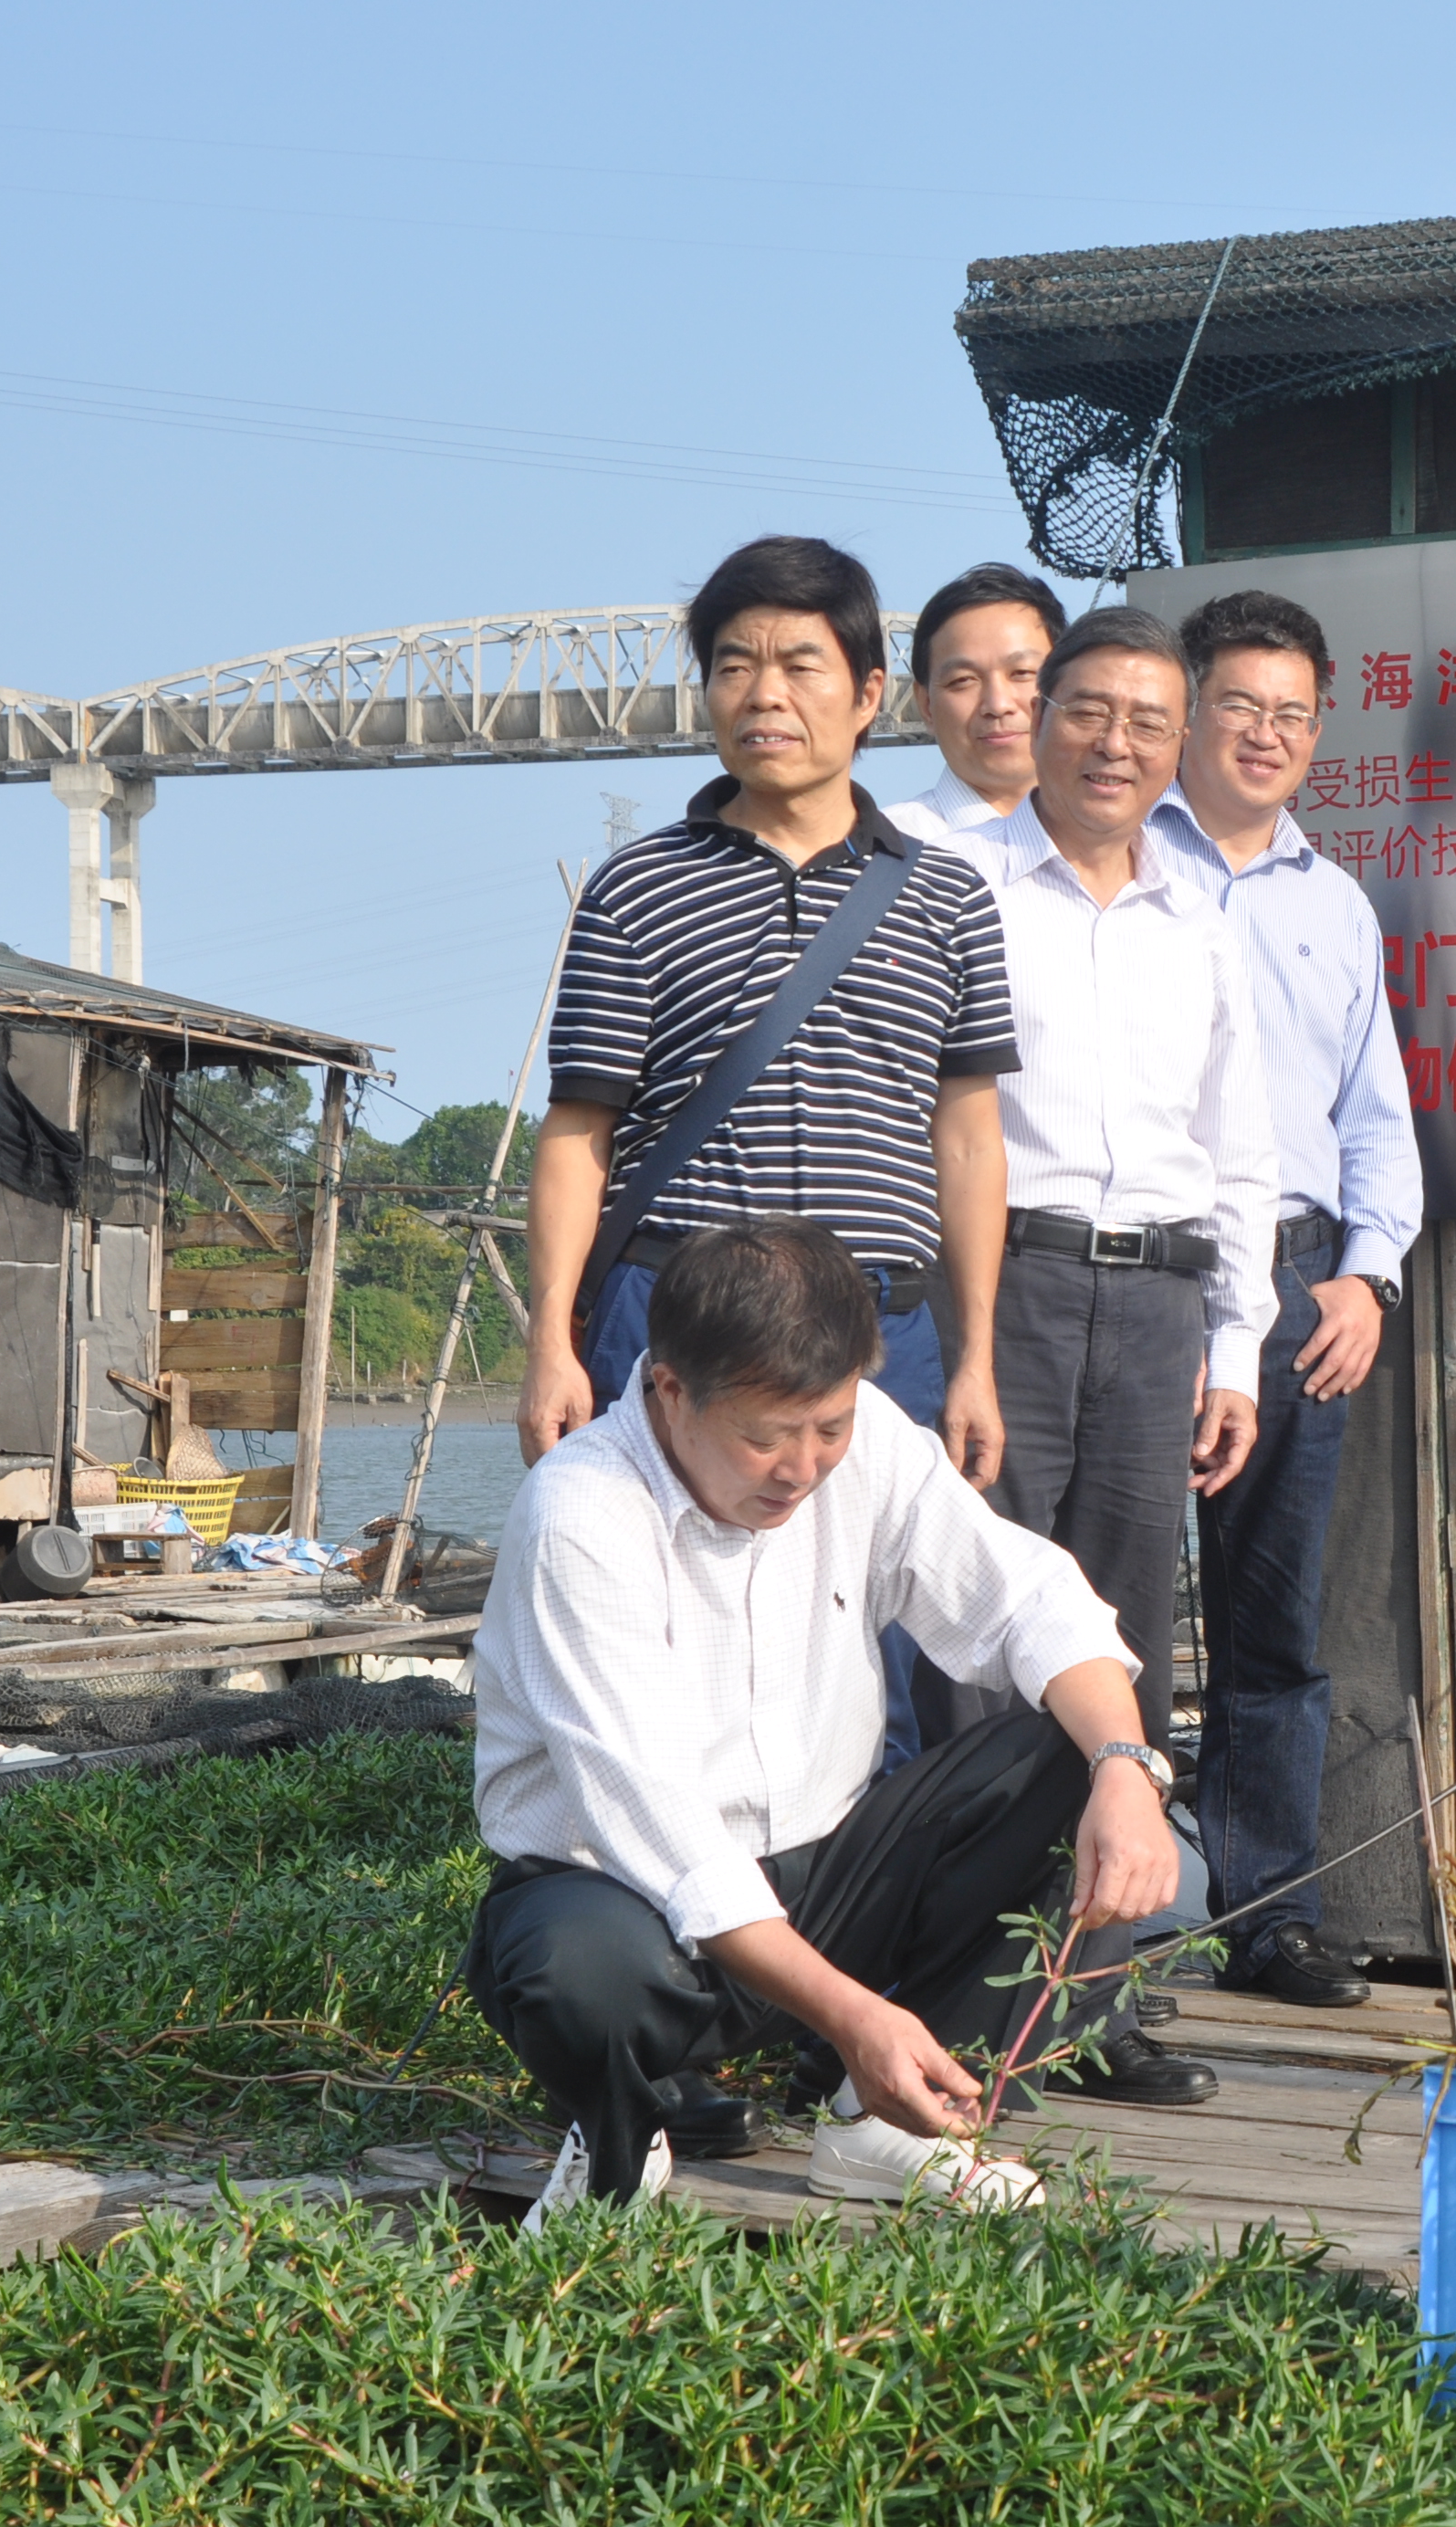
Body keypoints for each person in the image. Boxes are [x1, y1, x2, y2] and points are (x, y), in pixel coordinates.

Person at [518, 538, 1017, 2149]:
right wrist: (551, 1340)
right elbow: (581, 1130)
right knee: (648, 1658)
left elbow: (969, 1138)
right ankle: (666, 2044)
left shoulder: (943, 893)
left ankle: (846, 2045)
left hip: (882, 1336)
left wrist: (982, 1353)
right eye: (733, 661)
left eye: (800, 663)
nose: (763, 692)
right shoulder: (637, 887)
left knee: (864, 1668)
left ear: (873, 695)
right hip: (675, 1322)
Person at [465, 1218, 1182, 2218]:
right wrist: (856, 2015)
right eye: (764, 1436)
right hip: (623, 1900)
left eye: (828, 1427)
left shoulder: (872, 1439)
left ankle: (885, 2126)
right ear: (669, 1389)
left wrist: (1123, 1763)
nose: (802, 1467)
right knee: (575, 1974)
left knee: (1067, 1756)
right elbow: (663, 1836)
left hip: (827, 1870)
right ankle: (620, 2144)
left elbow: (1029, 1600)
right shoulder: (578, 1512)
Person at [932, 602, 1279, 2103]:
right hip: (1003, 1295)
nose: (1116, 742)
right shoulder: (955, 885)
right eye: (1088, 710)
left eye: (1148, 720)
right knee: (977, 1642)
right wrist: (952, 1338)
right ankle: (962, 1998)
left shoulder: (1198, 921)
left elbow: (1242, 1153)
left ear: (1177, 740)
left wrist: (1238, 1349)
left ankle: (1090, 2004)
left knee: (1117, 1657)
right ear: (1034, 715)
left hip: (1156, 1311)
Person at [1147, 589, 1421, 2009]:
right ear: (1188, 709)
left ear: (1322, 728)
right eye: (1240, 706)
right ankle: (1083, 1924)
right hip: (1139, 1268)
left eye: (1292, 713)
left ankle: (1270, 1917)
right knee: (1103, 1606)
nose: (1265, 734)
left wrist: (1369, 1277)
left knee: (1274, 1618)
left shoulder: (1335, 899)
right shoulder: (1122, 864)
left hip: (1304, 1279)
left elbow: (1375, 1109)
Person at [889, 562, 1068, 844]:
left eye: (1022, 673)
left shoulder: (1132, 843)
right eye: (963, 680)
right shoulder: (883, 852)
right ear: (926, 705)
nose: (997, 705)